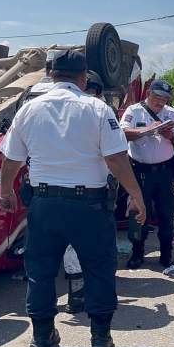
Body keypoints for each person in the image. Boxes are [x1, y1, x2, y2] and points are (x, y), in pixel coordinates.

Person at [0, 49, 147, 347]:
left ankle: (41, 337)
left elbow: (10, 156)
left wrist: (6, 192)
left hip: (44, 204)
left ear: (52, 74)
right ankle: (99, 339)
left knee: (40, 269)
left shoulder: (29, 109)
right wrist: (136, 195)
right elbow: (116, 158)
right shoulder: (97, 108)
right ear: (83, 77)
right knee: (99, 269)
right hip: (89, 207)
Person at [120, 79, 174, 271]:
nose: (160, 102)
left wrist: (170, 136)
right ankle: (137, 252)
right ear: (148, 93)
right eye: (157, 97)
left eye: (164, 99)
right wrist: (145, 131)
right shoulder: (134, 110)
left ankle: (166, 254)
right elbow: (122, 132)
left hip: (164, 172)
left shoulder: (171, 113)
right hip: (140, 172)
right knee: (138, 213)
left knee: (167, 213)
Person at [63, 70, 109, 315]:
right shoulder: (99, 110)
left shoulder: (44, 107)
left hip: (49, 192)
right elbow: (115, 155)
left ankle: (75, 297)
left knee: (65, 249)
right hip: (88, 193)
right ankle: (85, 300)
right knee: (88, 248)